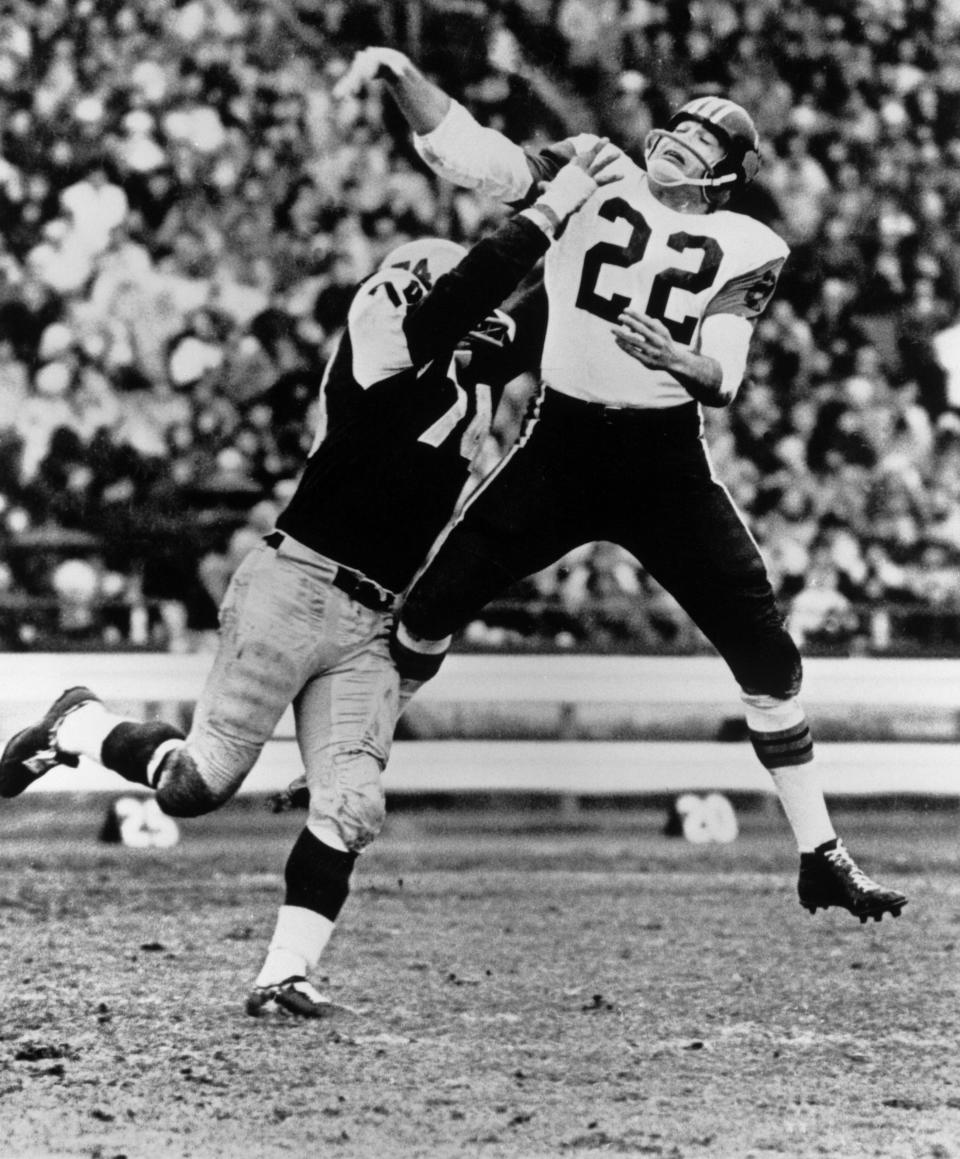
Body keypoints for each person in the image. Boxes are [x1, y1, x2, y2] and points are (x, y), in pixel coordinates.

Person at [0, 142, 621, 1018]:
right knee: (198, 786)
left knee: (352, 804)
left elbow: (553, 307)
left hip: (374, 618)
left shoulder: (466, 364)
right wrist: (553, 207)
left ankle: (281, 973)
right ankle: (83, 721)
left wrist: (619, 217)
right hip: (293, 584)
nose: (476, 315)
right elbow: (477, 291)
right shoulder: (380, 351)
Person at [336, 47, 909, 924]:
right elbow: (473, 153)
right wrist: (402, 74)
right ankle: (348, 762)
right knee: (428, 606)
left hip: (662, 462)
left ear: (727, 176)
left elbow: (723, 375)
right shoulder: (594, 169)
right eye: (677, 127)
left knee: (765, 649)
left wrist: (676, 357)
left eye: (699, 138)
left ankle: (820, 850)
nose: (677, 143)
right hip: (560, 442)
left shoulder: (751, 244)